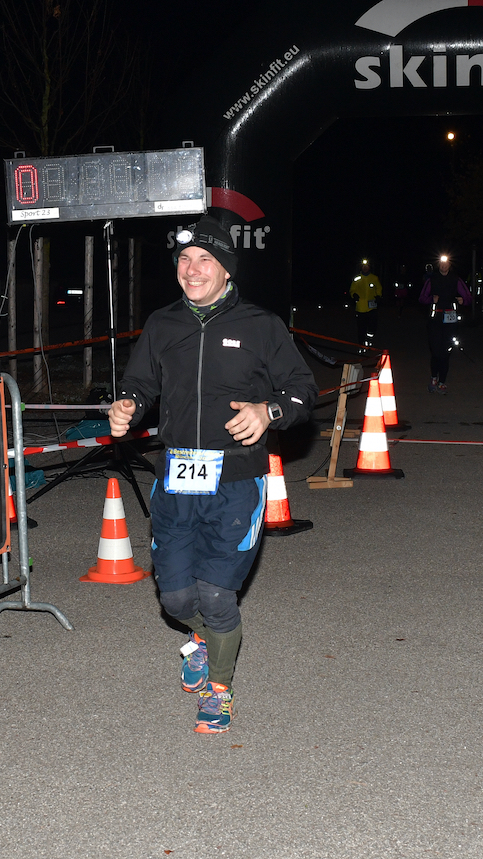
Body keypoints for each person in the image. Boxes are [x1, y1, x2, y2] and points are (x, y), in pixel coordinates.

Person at [108, 215, 317, 734]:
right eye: (184, 259)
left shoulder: (260, 325)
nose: (192, 269)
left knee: (218, 595)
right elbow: (140, 382)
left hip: (238, 482)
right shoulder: (162, 324)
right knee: (176, 598)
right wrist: (127, 405)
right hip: (175, 479)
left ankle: (219, 693)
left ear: (226, 271)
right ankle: (199, 640)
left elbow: (301, 389)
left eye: (205, 260)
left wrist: (268, 412)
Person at [418, 254, 471, 394]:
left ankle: (442, 382)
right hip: (435, 321)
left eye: (446, 263)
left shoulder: (456, 279)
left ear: (449, 265)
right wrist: (431, 299)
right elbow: (422, 298)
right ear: (438, 265)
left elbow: (468, 297)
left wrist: (463, 301)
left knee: (446, 352)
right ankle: (433, 378)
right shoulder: (432, 280)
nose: (443, 266)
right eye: (441, 263)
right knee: (436, 352)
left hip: (450, 321)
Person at [348, 259, 383, 351]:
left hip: (372, 306)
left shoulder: (374, 278)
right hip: (361, 307)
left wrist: (379, 296)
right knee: (361, 327)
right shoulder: (357, 278)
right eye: (363, 267)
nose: (365, 268)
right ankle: (361, 345)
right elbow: (352, 290)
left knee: (372, 326)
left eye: (367, 266)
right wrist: (353, 295)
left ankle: (369, 340)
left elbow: (379, 288)